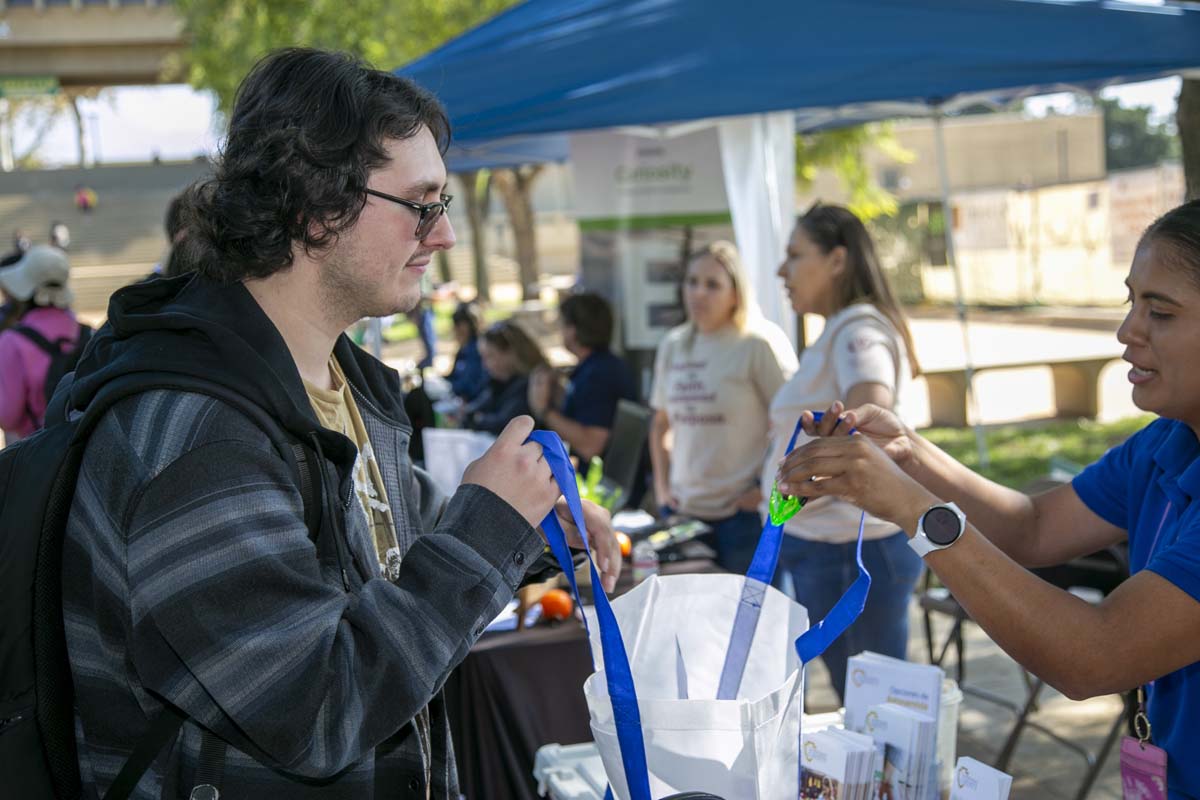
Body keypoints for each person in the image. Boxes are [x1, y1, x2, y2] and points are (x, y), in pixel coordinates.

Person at [60, 48, 620, 799]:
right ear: (314, 205)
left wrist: (534, 534)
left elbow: (397, 552)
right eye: (422, 205)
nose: (444, 236)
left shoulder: (335, 384)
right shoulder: (197, 435)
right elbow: (316, 709)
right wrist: (487, 532)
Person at [776, 200, 1200, 798]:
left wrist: (912, 509)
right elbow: (1031, 527)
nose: (1127, 331)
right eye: (1131, 302)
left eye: (1159, 311)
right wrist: (910, 455)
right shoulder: (1165, 445)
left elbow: (1096, 655)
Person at [762, 203, 924, 701]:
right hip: (827, 547)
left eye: (794, 255)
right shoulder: (837, 330)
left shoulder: (858, 330)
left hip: (852, 552)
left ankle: (891, 783)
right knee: (865, 704)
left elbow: (871, 413)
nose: (781, 270)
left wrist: (807, 487)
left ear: (837, 260)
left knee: (875, 709)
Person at [649, 240, 798, 573]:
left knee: (750, 622)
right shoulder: (673, 345)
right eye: (692, 282)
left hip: (741, 519)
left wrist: (763, 490)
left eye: (712, 285)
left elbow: (791, 424)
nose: (698, 293)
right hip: (685, 513)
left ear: (736, 293)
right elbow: (660, 424)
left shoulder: (755, 345)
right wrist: (662, 488)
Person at [528, 291, 638, 462]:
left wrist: (544, 410)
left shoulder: (599, 375)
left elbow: (591, 445)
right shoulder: (595, 366)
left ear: (573, 331)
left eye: (562, 325)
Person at [0, 245, 85, 442]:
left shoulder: (12, 342)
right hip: (84, 448)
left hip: (38, 452)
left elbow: (8, 417)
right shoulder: (86, 333)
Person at [464, 319, 548, 435]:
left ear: (510, 353)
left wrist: (478, 419)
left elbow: (505, 425)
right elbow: (472, 411)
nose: (484, 365)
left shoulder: (532, 384)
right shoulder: (500, 381)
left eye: (490, 356)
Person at [447, 300, 488, 402]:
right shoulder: (463, 349)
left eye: (458, 325)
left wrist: (448, 387)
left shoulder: (477, 350)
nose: (455, 330)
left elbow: (469, 386)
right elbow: (453, 376)